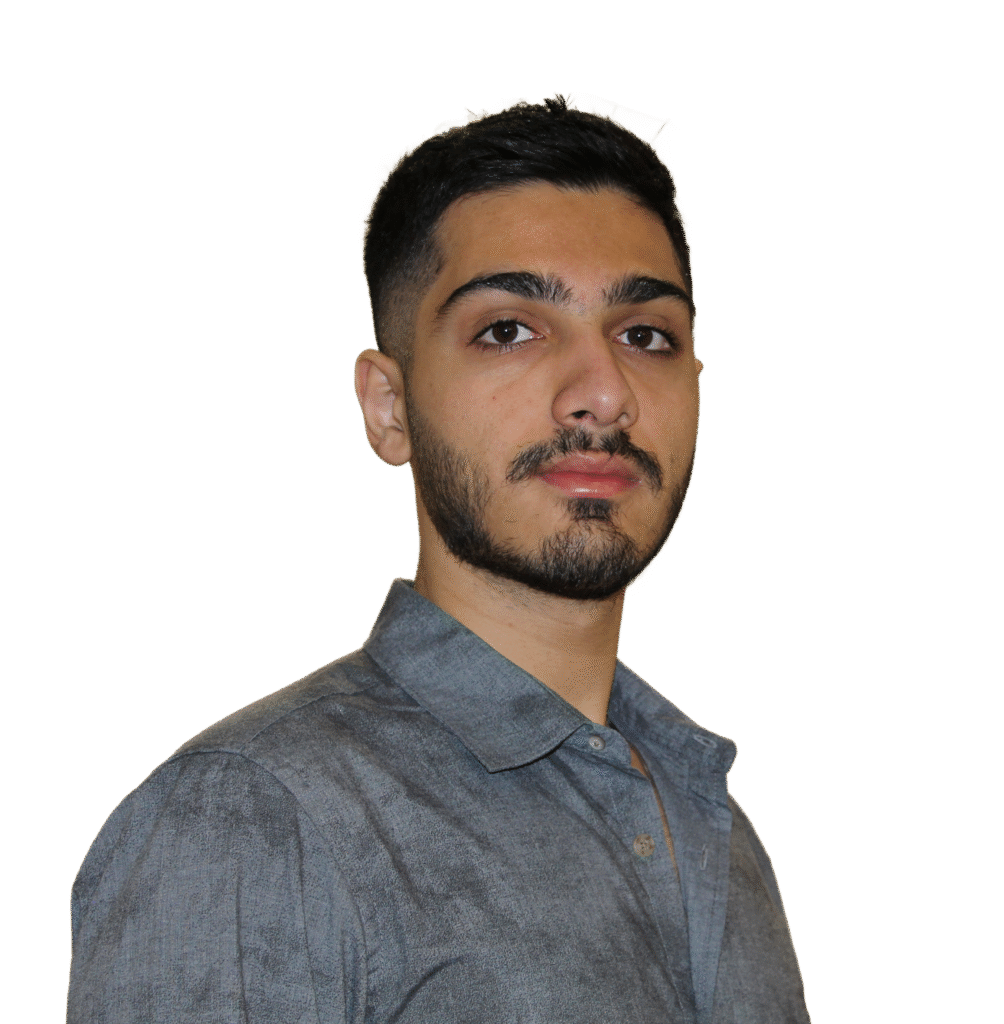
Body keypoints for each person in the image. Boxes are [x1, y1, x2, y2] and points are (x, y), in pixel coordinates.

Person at [67, 95, 811, 1023]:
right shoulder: (256, 817)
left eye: (645, 335)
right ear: (389, 407)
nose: (604, 392)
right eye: (508, 329)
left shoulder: (710, 822)